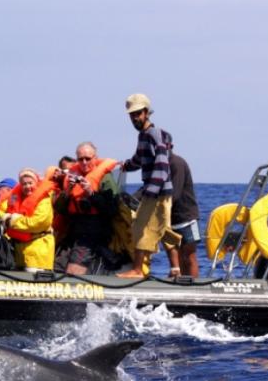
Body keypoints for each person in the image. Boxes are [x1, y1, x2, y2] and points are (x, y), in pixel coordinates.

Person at [118, 93, 182, 278]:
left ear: (146, 113)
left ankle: (138, 270)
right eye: (132, 115)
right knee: (163, 228)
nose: (135, 118)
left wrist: (151, 191)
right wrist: (126, 166)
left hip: (157, 191)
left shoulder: (153, 134)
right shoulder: (143, 136)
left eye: (138, 113)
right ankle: (176, 270)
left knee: (141, 227)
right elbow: (140, 159)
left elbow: (162, 164)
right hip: (159, 191)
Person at [53, 142, 121, 275]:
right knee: (57, 268)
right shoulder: (72, 176)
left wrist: (92, 193)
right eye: (80, 159)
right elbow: (60, 209)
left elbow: (112, 209)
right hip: (74, 231)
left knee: (73, 271)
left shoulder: (105, 178)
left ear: (95, 158)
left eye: (88, 159)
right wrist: (67, 191)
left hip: (94, 231)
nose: (84, 162)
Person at [4, 168, 56, 272]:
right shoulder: (16, 198)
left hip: (38, 250)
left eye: (30, 183)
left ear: (36, 182)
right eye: (24, 184)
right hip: (19, 250)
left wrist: (12, 221)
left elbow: (38, 223)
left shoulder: (44, 200)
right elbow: (2, 211)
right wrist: (4, 218)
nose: (27, 187)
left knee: (35, 284)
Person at [167, 150, 200, 278]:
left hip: (187, 218)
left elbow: (175, 192)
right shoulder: (159, 166)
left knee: (189, 256)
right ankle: (181, 285)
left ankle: (194, 288)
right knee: (179, 258)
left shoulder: (176, 163)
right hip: (171, 220)